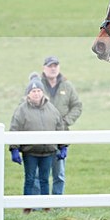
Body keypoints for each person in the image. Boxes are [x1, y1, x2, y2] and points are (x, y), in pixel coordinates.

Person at [9, 73, 66, 213]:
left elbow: (59, 127)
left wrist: (63, 146)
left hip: (48, 152)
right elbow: (15, 128)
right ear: (28, 94)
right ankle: (28, 208)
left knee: (45, 179)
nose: (36, 94)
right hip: (30, 152)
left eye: (39, 91)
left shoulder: (51, 109)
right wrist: (14, 149)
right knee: (29, 179)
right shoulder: (21, 110)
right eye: (33, 91)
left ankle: (46, 207)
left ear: (42, 92)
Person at [40, 56, 82, 195]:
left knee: (59, 173)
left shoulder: (66, 86)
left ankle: (57, 203)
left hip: (61, 135)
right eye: (50, 66)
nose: (53, 68)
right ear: (44, 68)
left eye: (55, 66)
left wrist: (66, 121)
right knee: (39, 173)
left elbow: (77, 106)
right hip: (41, 135)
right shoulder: (37, 85)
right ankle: (39, 204)